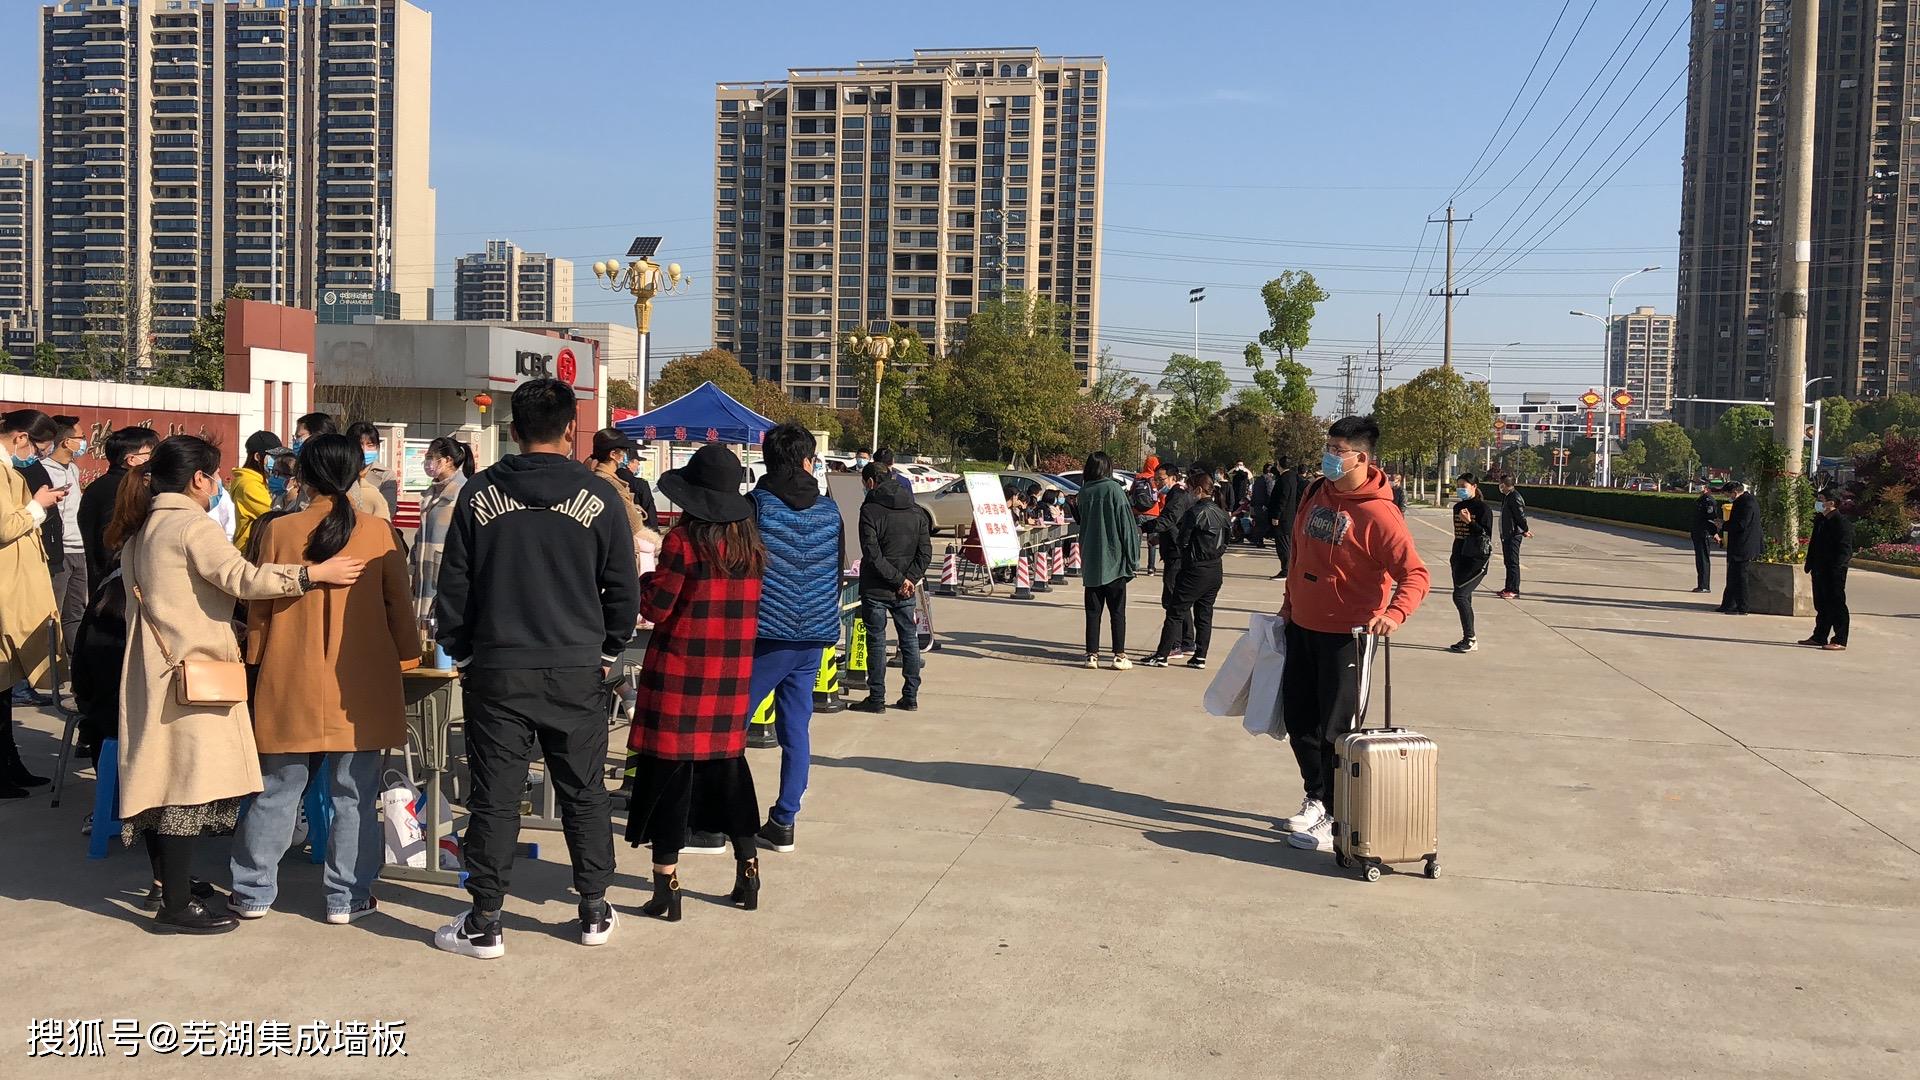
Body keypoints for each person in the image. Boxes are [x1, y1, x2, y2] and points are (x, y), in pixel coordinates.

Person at [110, 435, 366, 932]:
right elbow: (242, 579)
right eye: (216, 475)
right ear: (199, 479)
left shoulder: (143, 527)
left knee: (160, 777)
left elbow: (172, 600)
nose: (221, 483)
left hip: (152, 668)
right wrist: (313, 575)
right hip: (191, 675)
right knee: (188, 784)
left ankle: (168, 884)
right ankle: (176, 907)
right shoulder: (191, 523)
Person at [432, 378, 640, 958]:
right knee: (584, 791)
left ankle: (486, 920)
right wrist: (607, 652)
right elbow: (622, 588)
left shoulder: (479, 494)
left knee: (496, 797)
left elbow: (454, 587)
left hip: (498, 667)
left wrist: (464, 652)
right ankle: (594, 909)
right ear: (571, 429)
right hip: (576, 667)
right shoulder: (599, 497)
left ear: (514, 429)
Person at [230, 434, 421, 923]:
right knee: (354, 792)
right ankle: (347, 896)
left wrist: (255, 657)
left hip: (288, 673)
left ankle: (252, 892)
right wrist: (408, 657)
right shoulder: (378, 530)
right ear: (358, 474)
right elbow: (398, 604)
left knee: (275, 788)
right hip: (359, 679)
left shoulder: (278, 530)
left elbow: (259, 605)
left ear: (304, 475)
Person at [622, 444, 766, 923]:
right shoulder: (750, 546)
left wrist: (640, 579)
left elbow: (657, 608)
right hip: (730, 679)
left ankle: (668, 886)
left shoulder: (685, 544)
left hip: (683, 678)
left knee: (668, 780)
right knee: (730, 776)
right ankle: (748, 870)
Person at [1279, 416, 1431, 853]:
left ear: (1360, 458)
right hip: (1302, 626)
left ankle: (1338, 815)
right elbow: (1299, 557)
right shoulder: (1315, 493)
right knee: (1299, 722)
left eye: (1336, 450)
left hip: (1348, 635)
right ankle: (1317, 796)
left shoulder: (1380, 514)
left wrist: (1395, 613)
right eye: (1327, 447)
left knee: (1336, 729)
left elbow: (1416, 574)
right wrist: (1289, 606)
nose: (1327, 457)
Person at [737, 423, 842, 853]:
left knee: (730, 725)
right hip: (814, 634)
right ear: (806, 460)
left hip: (766, 634)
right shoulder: (831, 511)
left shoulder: (756, 506)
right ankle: (784, 820)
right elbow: (836, 569)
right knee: (796, 728)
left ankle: (714, 817)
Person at [1, 409, 67, 798]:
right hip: (6, 587)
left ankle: (10, 764)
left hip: (13, 584)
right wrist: (39, 503)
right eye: (39, 448)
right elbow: (5, 526)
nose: (38, 458)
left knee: (6, 686)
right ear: (21, 437)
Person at [853, 463, 932, 713]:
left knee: (876, 642)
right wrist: (908, 579)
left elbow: (872, 554)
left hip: (876, 588)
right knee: (908, 639)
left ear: (870, 482)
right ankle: (911, 696)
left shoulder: (870, 511)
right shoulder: (916, 510)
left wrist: (898, 580)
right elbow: (925, 552)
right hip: (906, 590)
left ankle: (876, 698)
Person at [1142, 466, 1229, 669]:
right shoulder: (1222, 513)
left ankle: (1162, 654)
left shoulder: (1195, 512)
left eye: (1190, 489)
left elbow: (1183, 540)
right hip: (1215, 569)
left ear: (1198, 490)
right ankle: (1200, 656)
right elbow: (1226, 541)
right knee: (1204, 614)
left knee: (1175, 611)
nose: (1188, 493)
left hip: (1194, 568)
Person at [1075, 451, 1141, 669]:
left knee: (1093, 612)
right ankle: (1119, 655)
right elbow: (1127, 526)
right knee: (1117, 612)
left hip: (1091, 560)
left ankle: (1091, 655)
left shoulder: (1084, 492)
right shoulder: (1113, 490)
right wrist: (1133, 559)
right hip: (1114, 561)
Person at [38, 417, 89, 663]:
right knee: (52, 613)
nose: (83, 442)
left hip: (79, 548)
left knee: (76, 610)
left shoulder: (74, 469)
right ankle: (45, 667)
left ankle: (77, 663)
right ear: (67, 441)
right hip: (59, 552)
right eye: (80, 437)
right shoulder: (44, 470)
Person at [79, 426, 157, 586]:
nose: (154, 459)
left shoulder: (104, 484)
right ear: (131, 460)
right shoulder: (119, 488)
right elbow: (112, 536)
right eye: (150, 454)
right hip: (116, 575)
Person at [410, 436, 472, 622]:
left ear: (447, 460)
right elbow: (419, 537)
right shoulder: (430, 493)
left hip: (446, 580)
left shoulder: (463, 492)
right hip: (423, 578)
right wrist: (412, 570)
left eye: (431, 457)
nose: (427, 463)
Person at [1145, 464, 1197, 660]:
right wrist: (1160, 538)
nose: (1158, 483)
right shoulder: (1176, 495)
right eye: (1156, 479)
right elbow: (1175, 524)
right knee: (1180, 599)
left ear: (1173, 478)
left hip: (1177, 554)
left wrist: (1147, 526)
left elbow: (1169, 519)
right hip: (1174, 549)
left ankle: (1175, 644)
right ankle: (1187, 641)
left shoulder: (1178, 495)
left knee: (1173, 600)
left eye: (1162, 479)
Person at [1801, 489, 1855, 651]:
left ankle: (1840, 639)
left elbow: (1845, 550)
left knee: (1836, 605)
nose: (1819, 503)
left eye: (1821, 499)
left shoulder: (1842, 523)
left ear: (1831, 503)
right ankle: (1819, 636)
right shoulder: (1821, 519)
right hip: (1818, 569)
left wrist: (1836, 568)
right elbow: (1814, 543)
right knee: (1821, 605)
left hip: (1833, 571)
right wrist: (1810, 563)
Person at [1448, 474, 1493, 654]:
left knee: (1459, 596)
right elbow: (1459, 535)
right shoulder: (1458, 507)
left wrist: (1470, 522)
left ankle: (1471, 638)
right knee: (1465, 597)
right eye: (1458, 485)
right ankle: (1468, 638)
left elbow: (1485, 536)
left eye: (1464, 485)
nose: (1461, 489)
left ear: (1474, 486)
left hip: (1476, 559)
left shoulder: (1483, 509)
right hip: (1459, 557)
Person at [227, 431, 283, 554]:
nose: (278, 462)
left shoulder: (260, 481)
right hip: (249, 552)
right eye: (274, 457)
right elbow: (275, 513)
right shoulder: (248, 485)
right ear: (258, 457)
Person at [590, 427, 648, 536]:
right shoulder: (612, 484)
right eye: (625, 451)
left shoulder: (592, 478)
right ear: (613, 454)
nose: (626, 455)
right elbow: (635, 525)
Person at [1718, 481, 1761, 615]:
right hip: (1738, 546)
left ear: (1735, 492)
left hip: (1744, 546)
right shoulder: (1742, 501)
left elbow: (1742, 524)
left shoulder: (1747, 503)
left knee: (1741, 578)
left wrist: (1724, 525)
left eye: (1728, 495)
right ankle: (1728, 604)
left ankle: (1743, 607)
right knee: (1732, 576)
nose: (1728, 498)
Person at [343, 420, 395, 521]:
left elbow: (389, 510)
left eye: (370, 445)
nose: (364, 449)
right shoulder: (339, 471)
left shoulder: (386, 475)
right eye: (359, 445)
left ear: (377, 447)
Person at [1268, 459, 1306, 579]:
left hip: (1283, 518)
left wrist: (1276, 515)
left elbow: (1283, 498)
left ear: (1279, 465)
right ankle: (1288, 569)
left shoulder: (1285, 479)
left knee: (1283, 545)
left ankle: (1286, 570)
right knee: (1287, 543)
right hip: (1290, 515)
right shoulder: (1293, 477)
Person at [1496, 474, 1531, 599]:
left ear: (1504, 484)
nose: (1499, 486)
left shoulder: (1515, 497)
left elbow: (1520, 516)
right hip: (1507, 534)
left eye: (1500, 484)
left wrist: (1525, 529)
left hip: (1513, 534)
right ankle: (1508, 587)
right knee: (1508, 562)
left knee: (1513, 562)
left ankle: (1514, 590)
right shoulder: (1508, 497)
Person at [1131, 455, 1163, 574]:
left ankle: (1135, 566)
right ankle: (1151, 567)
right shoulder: (1155, 479)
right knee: (1152, 541)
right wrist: (1161, 508)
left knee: (1136, 541)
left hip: (1138, 513)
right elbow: (1162, 496)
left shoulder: (1138, 478)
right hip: (1153, 513)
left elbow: (1131, 493)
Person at [1689, 485, 1722, 594]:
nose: (1697, 487)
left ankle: (1704, 586)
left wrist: (1714, 533)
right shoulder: (1701, 499)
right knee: (1699, 559)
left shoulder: (1709, 501)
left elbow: (1711, 519)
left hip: (1704, 533)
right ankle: (1701, 584)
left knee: (1703, 560)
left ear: (1706, 488)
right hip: (1698, 532)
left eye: (1700, 485)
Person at [616, 451, 660, 529]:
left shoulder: (609, 480)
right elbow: (648, 507)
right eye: (637, 462)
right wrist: (654, 529)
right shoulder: (640, 483)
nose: (638, 465)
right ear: (629, 464)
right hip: (635, 525)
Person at [1249, 464, 1276, 548]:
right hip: (1264, 506)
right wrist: (1269, 504)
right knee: (1265, 524)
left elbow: (1254, 493)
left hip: (1257, 505)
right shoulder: (1268, 480)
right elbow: (1269, 493)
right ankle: (1260, 540)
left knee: (1259, 523)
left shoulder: (1258, 479)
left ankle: (1258, 540)